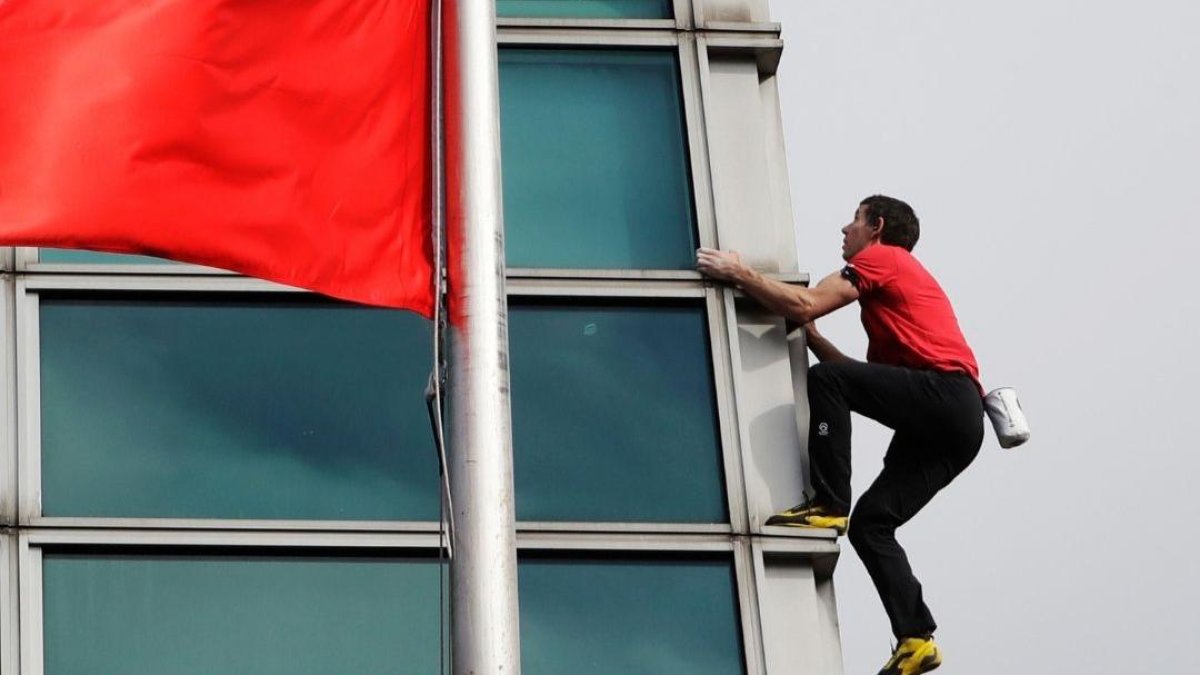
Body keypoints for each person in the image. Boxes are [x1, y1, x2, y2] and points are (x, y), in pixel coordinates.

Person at [696, 195, 983, 675]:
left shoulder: (885, 258)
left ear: (877, 227)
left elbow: (807, 303)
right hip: (956, 425)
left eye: (855, 219)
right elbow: (858, 378)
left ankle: (829, 503)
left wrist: (739, 273)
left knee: (827, 382)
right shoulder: (894, 302)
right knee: (871, 525)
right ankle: (916, 638)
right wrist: (811, 337)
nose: (845, 229)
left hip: (946, 397)